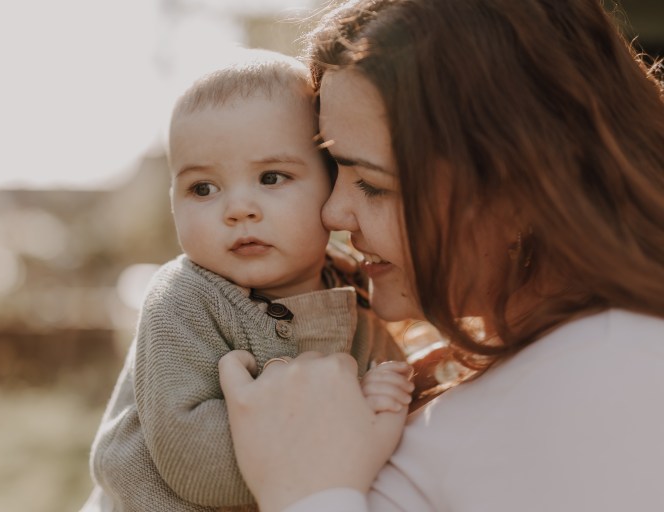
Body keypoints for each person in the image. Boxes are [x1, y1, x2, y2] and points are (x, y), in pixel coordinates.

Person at [218, 0, 664, 510]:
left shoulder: (614, 384)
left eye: (373, 184)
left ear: (517, 192)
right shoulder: (554, 360)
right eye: (332, 170)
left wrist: (305, 495)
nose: (332, 212)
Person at [79, 48, 411, 512]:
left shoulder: (357, 292)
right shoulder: (182, 302)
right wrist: (353, 419)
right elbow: (197, 466)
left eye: (271, 177)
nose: (238, 209)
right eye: (203, 189)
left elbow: (397, 429)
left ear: (331, 183)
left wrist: (390, 393)